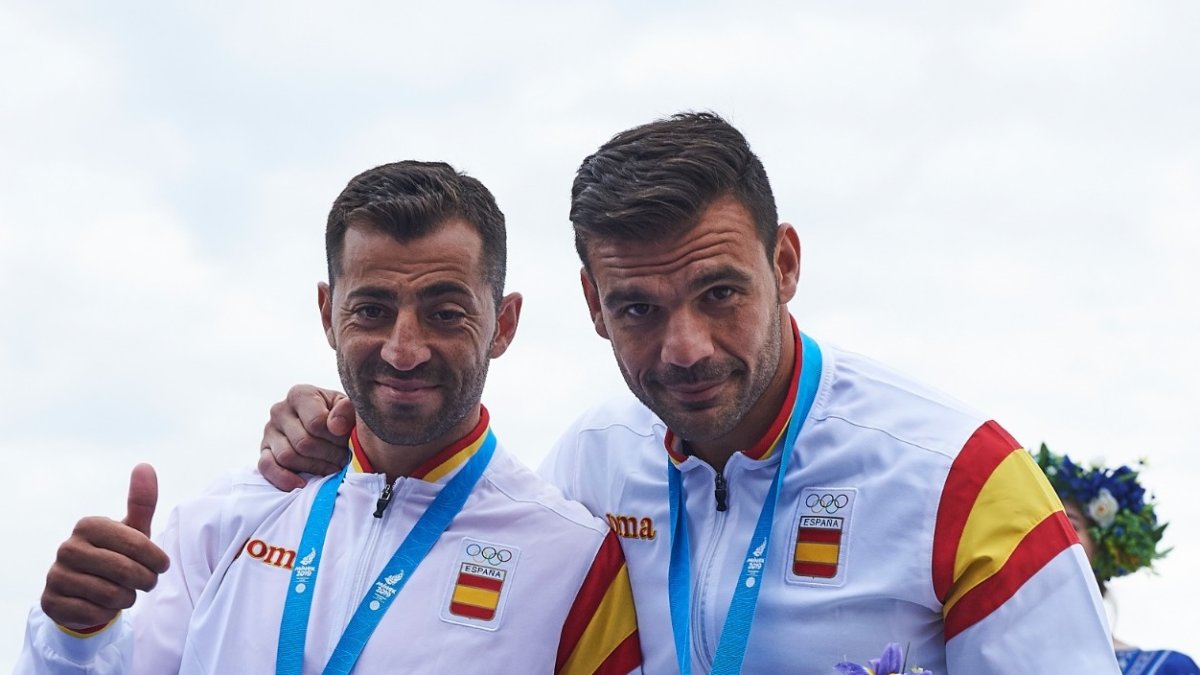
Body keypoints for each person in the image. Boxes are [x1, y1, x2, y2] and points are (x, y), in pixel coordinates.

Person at [259, 113, 1119, 672]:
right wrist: (342, 443)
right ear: (593, 305)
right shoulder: (589, 464)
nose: (685, 348)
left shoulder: (962, 478)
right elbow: (448, 542)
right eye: (638, 307)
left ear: (785, 264)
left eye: (719, 292)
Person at [17, 161, 641, 674]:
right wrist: (74, 636)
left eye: (445, 313)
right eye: (371, 310)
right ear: (327, 313)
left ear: (503, 324)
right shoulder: (221, 523)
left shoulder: (573, 560)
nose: (403, 350)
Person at [1037, 444, 1197, 675]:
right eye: (1040, 526)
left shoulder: (1168, 669)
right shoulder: (996, 662)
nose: (1053, 536)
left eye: (1070, 525)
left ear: (1103, 548)